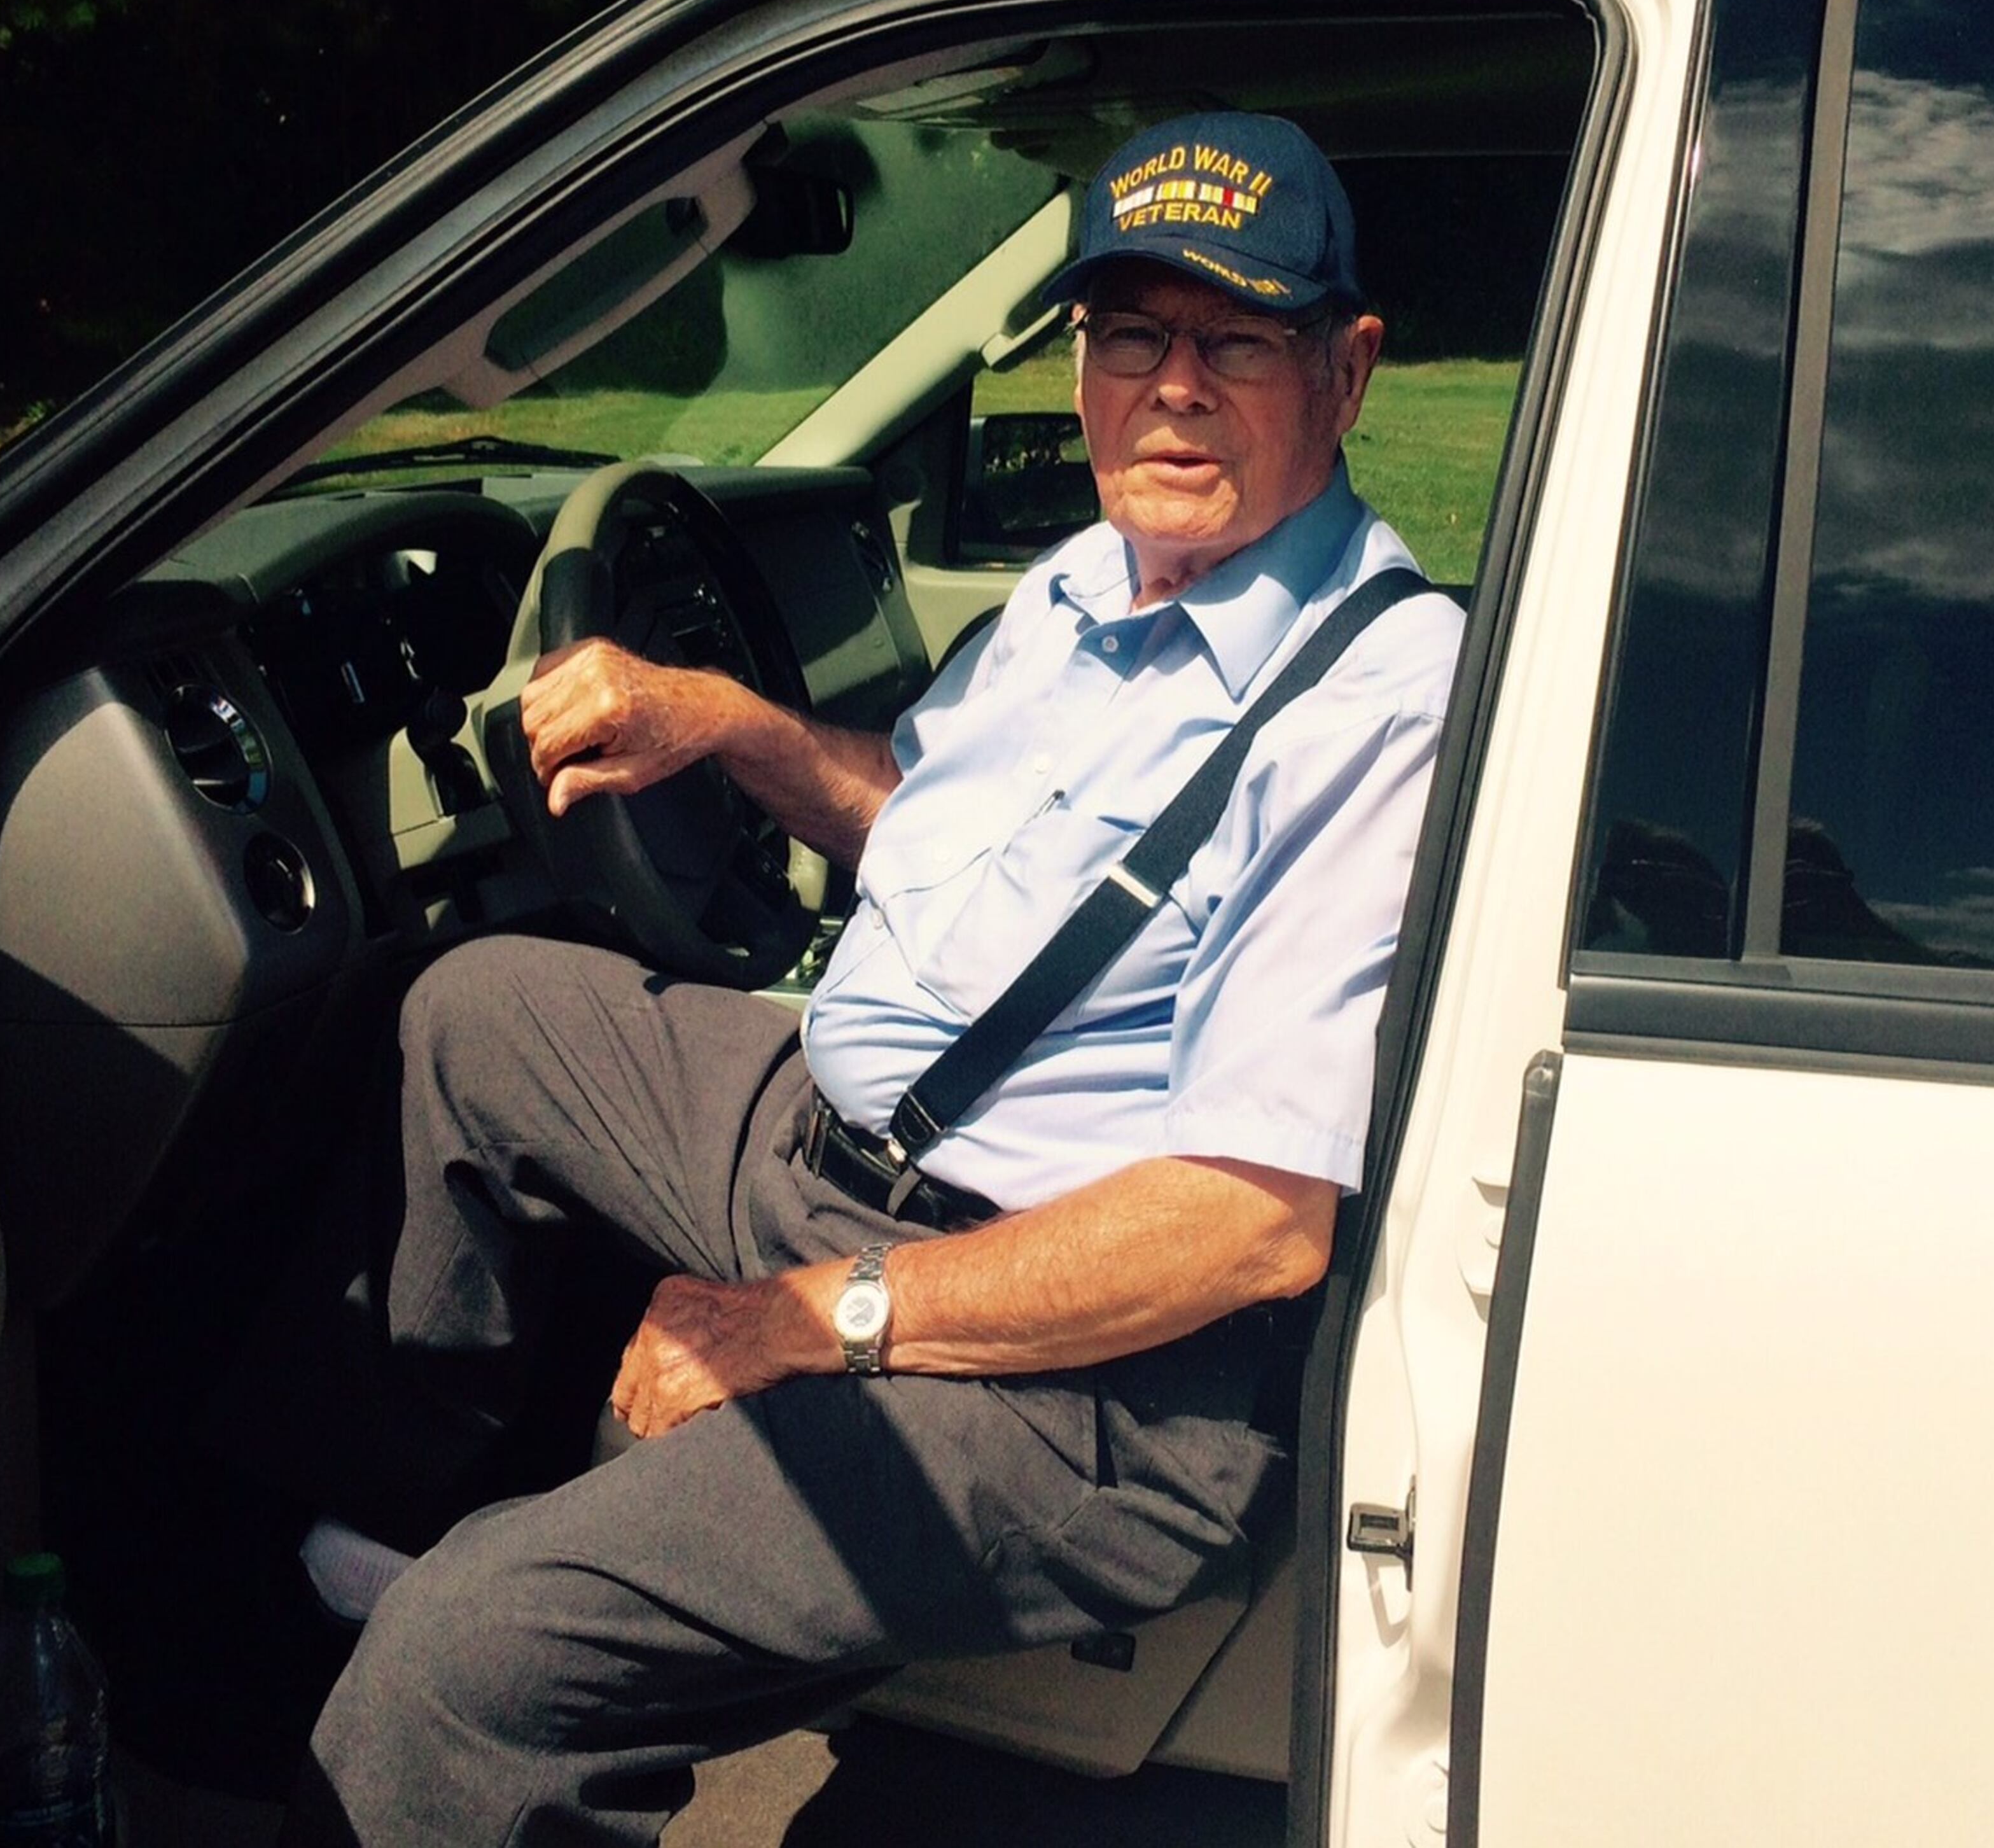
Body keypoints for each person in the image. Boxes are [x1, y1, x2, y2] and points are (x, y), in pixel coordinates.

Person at [288, 111, 1464, 1844]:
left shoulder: (1378, 704)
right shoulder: (1089, 580)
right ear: (1081, 364)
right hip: (844, 1150)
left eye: (1241, 338)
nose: (1175, 389)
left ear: (1348, 371)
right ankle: (452, 1509)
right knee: (469, 1016)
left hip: (1085, 1378)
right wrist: (733, 724)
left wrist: (805, 1315)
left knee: (456, 1676)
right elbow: (940, 841)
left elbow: (1250, 1224)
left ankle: (486, 1667)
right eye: (1133, 333)